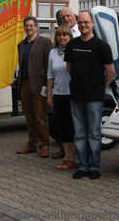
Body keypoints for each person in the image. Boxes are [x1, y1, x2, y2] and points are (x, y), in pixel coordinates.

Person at [65, 11, 115, 180]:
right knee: (79, 134)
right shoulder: (72, 45)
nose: (83, 25)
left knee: (94, 134)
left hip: (94, 97)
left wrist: (100, 88)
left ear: (92, 23)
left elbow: (110, 71)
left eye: (86, 22)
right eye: (80, 22)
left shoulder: (102, 46)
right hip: (76, 96)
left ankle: (94, 167)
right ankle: (82, 166)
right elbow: (69, 68)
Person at [12, 16, 52, 158]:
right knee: (29, 118)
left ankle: (45, 145)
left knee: (41, 117)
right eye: (26, 26)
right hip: (24, 85)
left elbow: (49, 66)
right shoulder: (21, 45)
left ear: (36, 26)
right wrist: (17, 82)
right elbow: (22, 66)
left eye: (31, 25)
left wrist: (49, 87)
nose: (28, 28)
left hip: (40, 85)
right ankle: (32, 145)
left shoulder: (45, 43)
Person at [47, 25, 77, 170]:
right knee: (62, 127)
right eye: (59, 35)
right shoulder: (52, 53)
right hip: (58, 94)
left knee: (73, 127)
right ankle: (66, 156)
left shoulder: (74, 51)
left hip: (73, 94)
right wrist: (49, 94)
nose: (62, 38)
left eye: (65, 35)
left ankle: (74, 157)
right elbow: (50, 75)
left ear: (70, 37)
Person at [52, 6, 79, 160]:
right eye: (63, 17)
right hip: (60, 91)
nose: (66, 19)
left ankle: (75, 156)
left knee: (74, 124)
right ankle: (67, 154)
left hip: (75, 91)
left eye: (68, 16)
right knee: (62, 124)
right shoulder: (54, 50)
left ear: (74, 16)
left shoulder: (82, 35)